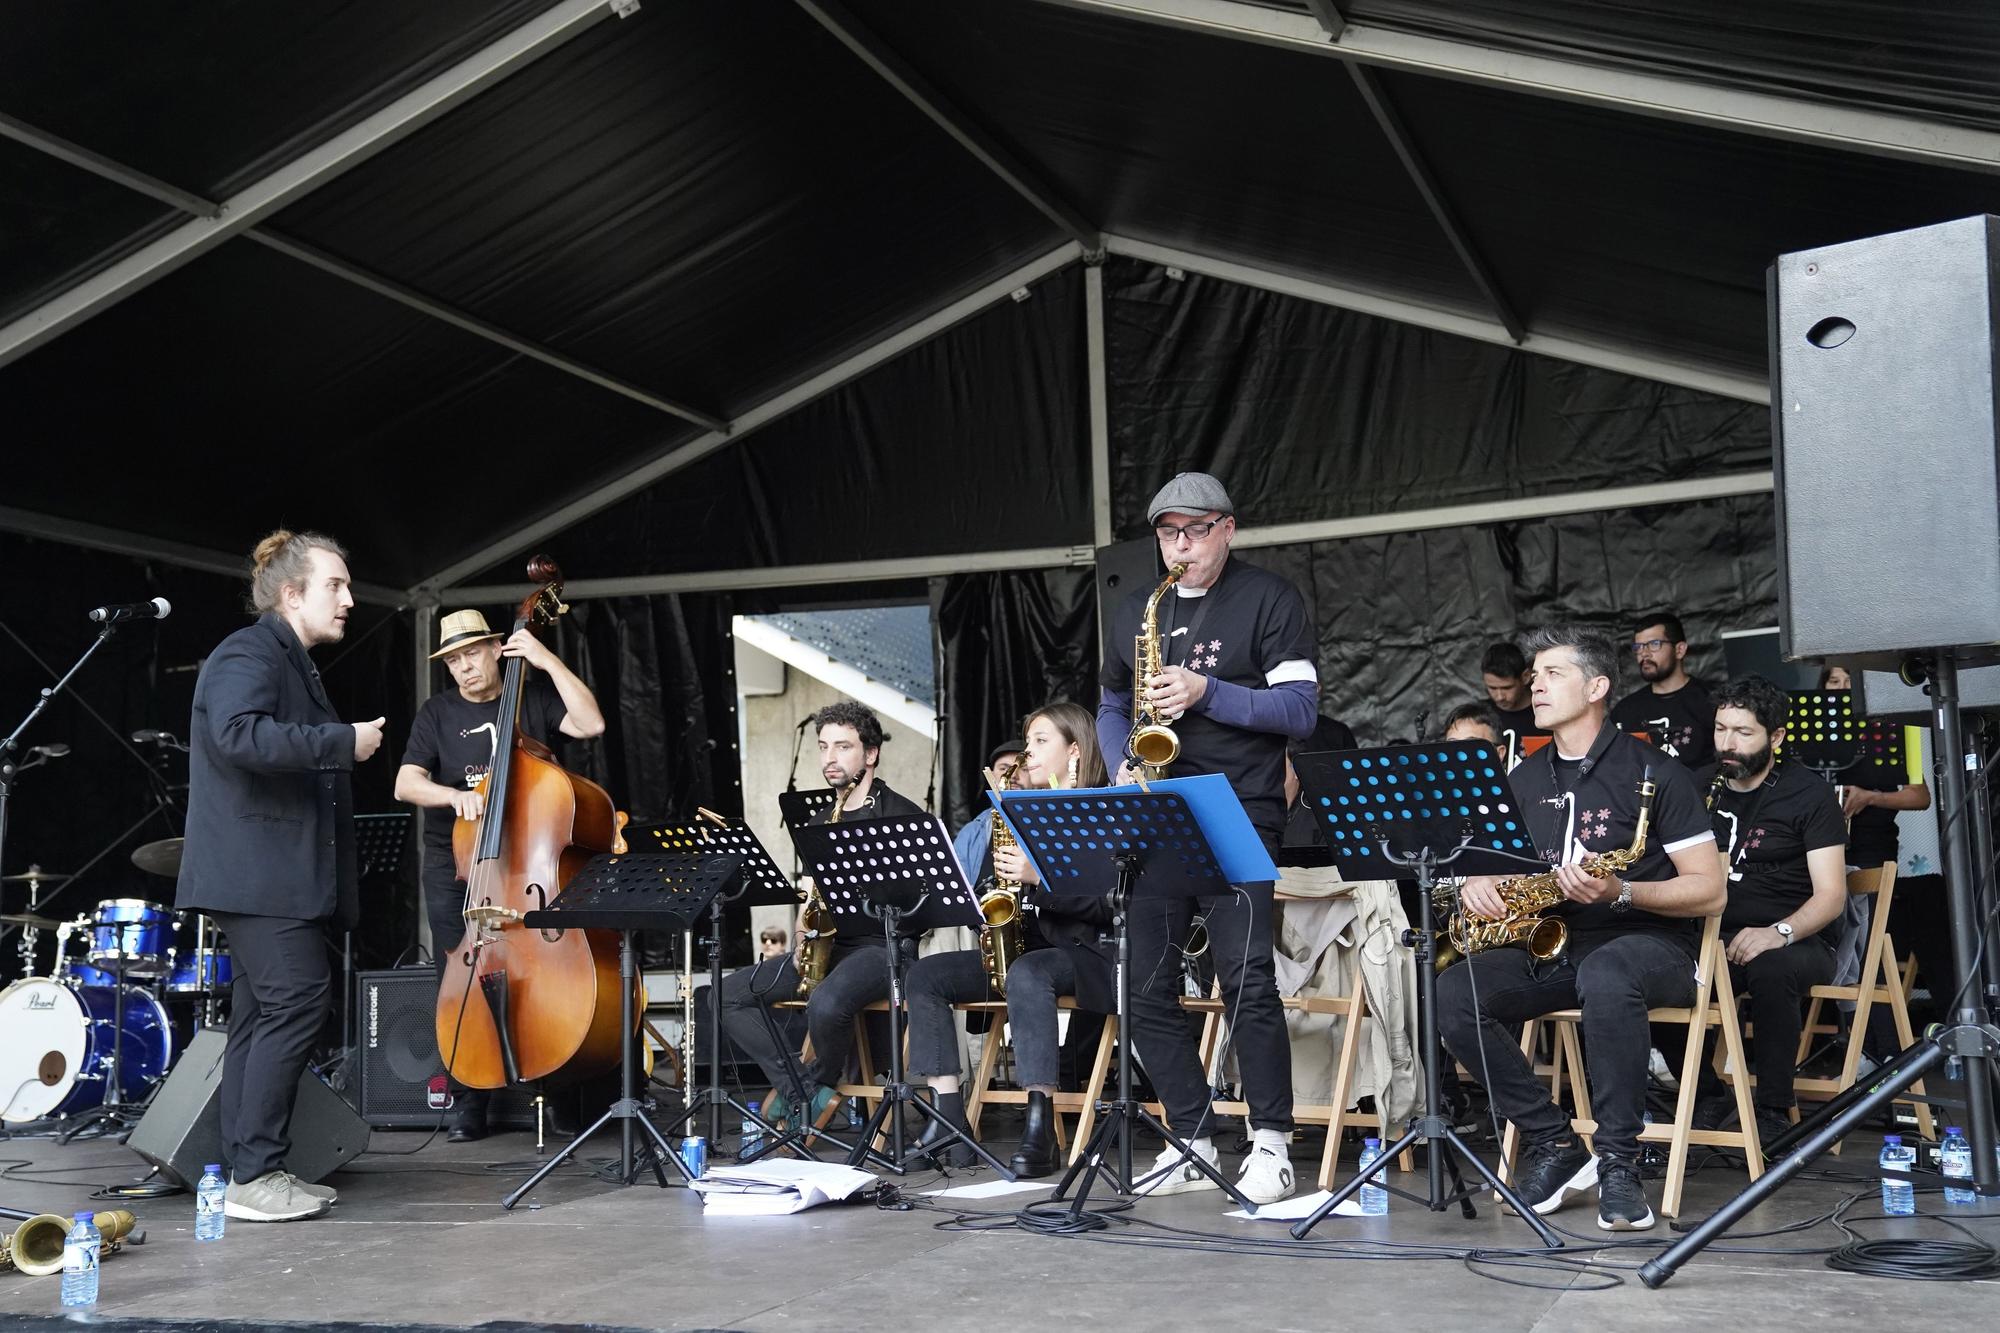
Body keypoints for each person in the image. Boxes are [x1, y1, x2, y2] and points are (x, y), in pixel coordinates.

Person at [1435, 624, 1721, 1231]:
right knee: (1454, 993)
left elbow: (1709, 887)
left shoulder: (1656, 773)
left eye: (1552, 674)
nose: (1535, 686)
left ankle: (1619, 1161)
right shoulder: (1524, 778)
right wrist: (1473, 884)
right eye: (1534, 676)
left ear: (1597, 687)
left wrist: (1624, 890)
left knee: (1608, 972)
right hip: (1557, 939)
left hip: (1655, 942)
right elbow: (1487, 868)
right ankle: (1554, 1141)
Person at [1096, 470, 1318, 1204]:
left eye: (1194, 530)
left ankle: (1272, 1143)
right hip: (1158, 810)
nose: (1180, 545)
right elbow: (1111, 699)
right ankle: (1190, 1138)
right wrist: (1120, 759)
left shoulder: (1271, 599)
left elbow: (1300, 711)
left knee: (1247, 977)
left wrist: (1204, 691)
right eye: (1167, 533)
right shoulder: (1137, 608)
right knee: (1143, 983)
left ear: (1228, 527)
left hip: (1239, 806)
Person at [176, 531, 386, 1223]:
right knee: (297, 1002)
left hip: (269, 878)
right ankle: (255, 1173)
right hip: (259, 877)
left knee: (260, 1017)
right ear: (292, 593)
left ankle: (248, 1168)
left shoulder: (291, 661)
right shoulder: (249, 650)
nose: (350, 599)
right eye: (337, 584)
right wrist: (341, 741)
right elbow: (237, 734)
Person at [393, 609, 606, 1142]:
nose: (463, 669)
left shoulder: (531, 700)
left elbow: (591, 724)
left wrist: (546, 659)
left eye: (471, 655)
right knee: (462, 974)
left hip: (527, 865)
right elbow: (406, 783)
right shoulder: (436, 713)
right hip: (459, 865)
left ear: (496, 650)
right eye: (454, 661)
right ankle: (470, 1100)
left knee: (542, 972)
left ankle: (554, 1085)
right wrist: (454, 797)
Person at [902, 704, 1115, 1174]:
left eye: (1041, 742)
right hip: (1021, 953)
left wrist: (1040, 880)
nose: (1028, 752)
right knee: (926, 975)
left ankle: (1040, 1125)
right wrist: (984, 901)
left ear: (1074, 751)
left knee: (1028, 972)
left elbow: (1108, 904)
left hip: (1086, 954)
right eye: (1028, 740)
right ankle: (950, 1117)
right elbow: (988, 889)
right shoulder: (1016, 811)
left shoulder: (1100, 808)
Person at [715, 701, 925, 1127]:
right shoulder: (816, 823)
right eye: (823, 746)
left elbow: (922, 910)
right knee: (726, 994)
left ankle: (810, 1091)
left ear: (871, 754)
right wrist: (800, 935)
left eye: (843, 747)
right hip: (827, 947)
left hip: (882, 948)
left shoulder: (904, 815)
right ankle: (806, 1092)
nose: (829, 758)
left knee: (826, 1004)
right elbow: (810, 897)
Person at [1689, 676, 1847, 1147]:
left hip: (1796, 939)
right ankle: (1704, 1093)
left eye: (1743, 732)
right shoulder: (1699, 786)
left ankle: (1774, 1107)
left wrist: (1778, 931)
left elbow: (1831, 895)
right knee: (1646, 965)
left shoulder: (1808, 793)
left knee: (1769, 966)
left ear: (1776, 736)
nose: (1727, 744)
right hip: (1710, 937)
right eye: (1720, 730)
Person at [1610, 611, 1715, 769]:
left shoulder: (1711, 702)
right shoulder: (1625, 711)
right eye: (1638, 647)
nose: (1644, 653)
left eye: (1654, 644)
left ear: (1679, 650)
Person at [1480, 642, 1545, 760]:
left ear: (1525, 677)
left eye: (1507, 687)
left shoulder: (1546, 712)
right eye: (1492, 688)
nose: (1499, 696)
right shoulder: (1479, 716)